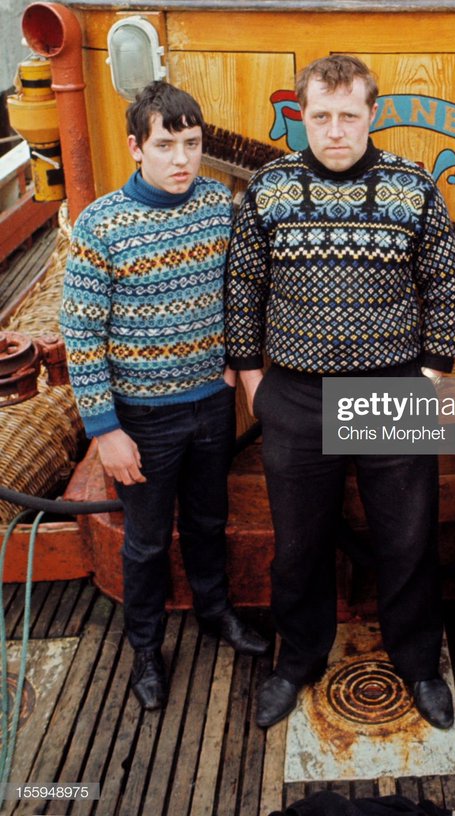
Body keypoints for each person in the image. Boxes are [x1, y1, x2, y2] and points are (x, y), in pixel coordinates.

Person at [225, 53, 455, 731]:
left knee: (407, 537)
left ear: (371, 114)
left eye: (348, 116)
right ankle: (296, 661)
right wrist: (250, 376)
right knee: (298, 543)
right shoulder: (268, 188)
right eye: (320, 116)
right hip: (296, 393)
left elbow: (443, 289)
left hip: (391, 386)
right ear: (303, 116)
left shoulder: (411, 186)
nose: (334, 130)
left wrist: (426, 376)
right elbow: (242, 288)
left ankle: (418, 663)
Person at [61, 82, 267, 711]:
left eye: (192, 144)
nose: (182, 159)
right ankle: (145, 648)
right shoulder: (102, 225)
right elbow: (81, 334)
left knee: (208, 520)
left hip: (210, 406)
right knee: (146, 541)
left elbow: (240, 292)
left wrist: (233, 369)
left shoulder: (217, 206)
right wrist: (105, 430)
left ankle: (215, 613)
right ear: (135, 148)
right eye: (166, 145)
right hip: (140, 420)